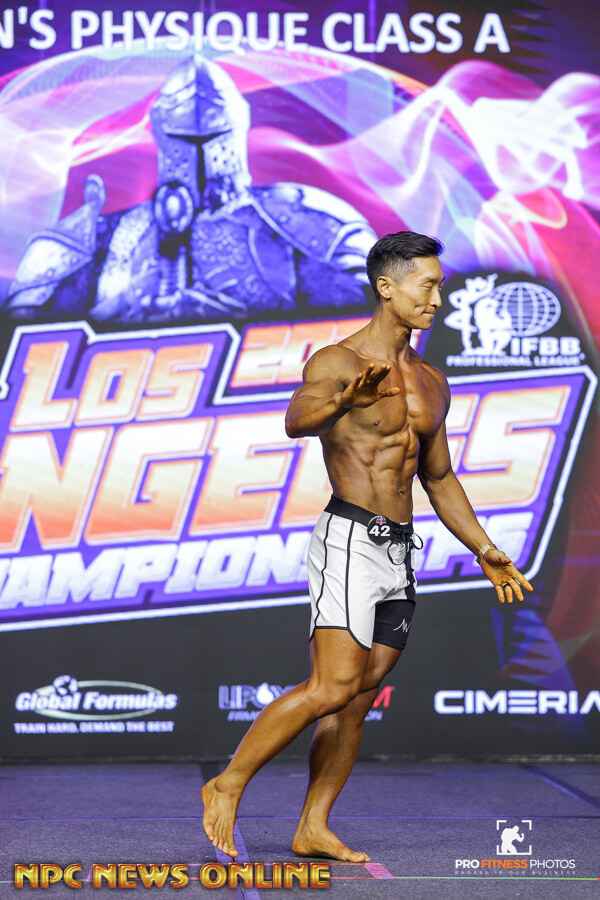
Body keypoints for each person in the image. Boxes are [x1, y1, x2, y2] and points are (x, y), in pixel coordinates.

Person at [201, 230, 533, 861]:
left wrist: (483, 547)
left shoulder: (431, 381)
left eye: (439, 286)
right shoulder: (337, 361)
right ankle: (228, 782)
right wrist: (339, 402)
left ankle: (312, 826)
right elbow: (295, 420)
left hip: (400, 551)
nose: (437, 299)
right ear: (387, 287)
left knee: (357, 697)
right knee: (332, 685)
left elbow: (439, 477)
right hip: (350, 540)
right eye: (426, 285)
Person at [5, 57, 374, 323]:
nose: (200, 151)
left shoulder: (303, 218)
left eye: (214, 136)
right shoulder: (100, 236)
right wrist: (127, 306)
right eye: (184, 138)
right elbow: (30, 345)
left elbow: (366, 333)